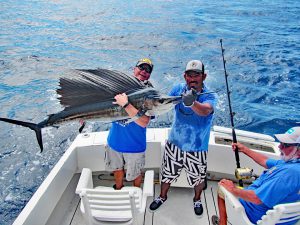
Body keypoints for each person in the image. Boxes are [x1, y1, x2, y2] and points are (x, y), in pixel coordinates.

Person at [149, 60, 217, 216]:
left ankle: (197, 199)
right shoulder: (178, 89)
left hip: (197, 149)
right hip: (174, 144)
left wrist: (192, 103)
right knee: (167, 174)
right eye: (189, 75)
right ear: (185, 76)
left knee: (198, 179)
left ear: (204, 76)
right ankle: (162, 196)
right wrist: (151, 112)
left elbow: (206, 110)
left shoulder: (210, 95)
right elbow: (165, 103)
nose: (193, 78)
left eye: (197, 75)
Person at [212, 127, 300, 225]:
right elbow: (265, 161)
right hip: (282, 218)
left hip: (254, 213)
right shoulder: (292, 164)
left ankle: (222, 223)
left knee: (222, 185)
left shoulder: (287, 174)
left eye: (286, 145)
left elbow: (256, 198)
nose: (279, 147)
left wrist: (233, 189)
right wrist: (244, 149)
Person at [105, 58, 154, 190]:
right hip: (114, 142)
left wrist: (126, 104)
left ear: (149, 74)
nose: (144, 71)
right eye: (141, 67)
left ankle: (136, 192)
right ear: (134, 69)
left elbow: (144, 122)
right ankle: (118, 189)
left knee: (135, 174)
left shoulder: (150, 93)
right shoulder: (120, 86)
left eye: (148, 69)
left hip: (135, 145)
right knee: (117, 170)